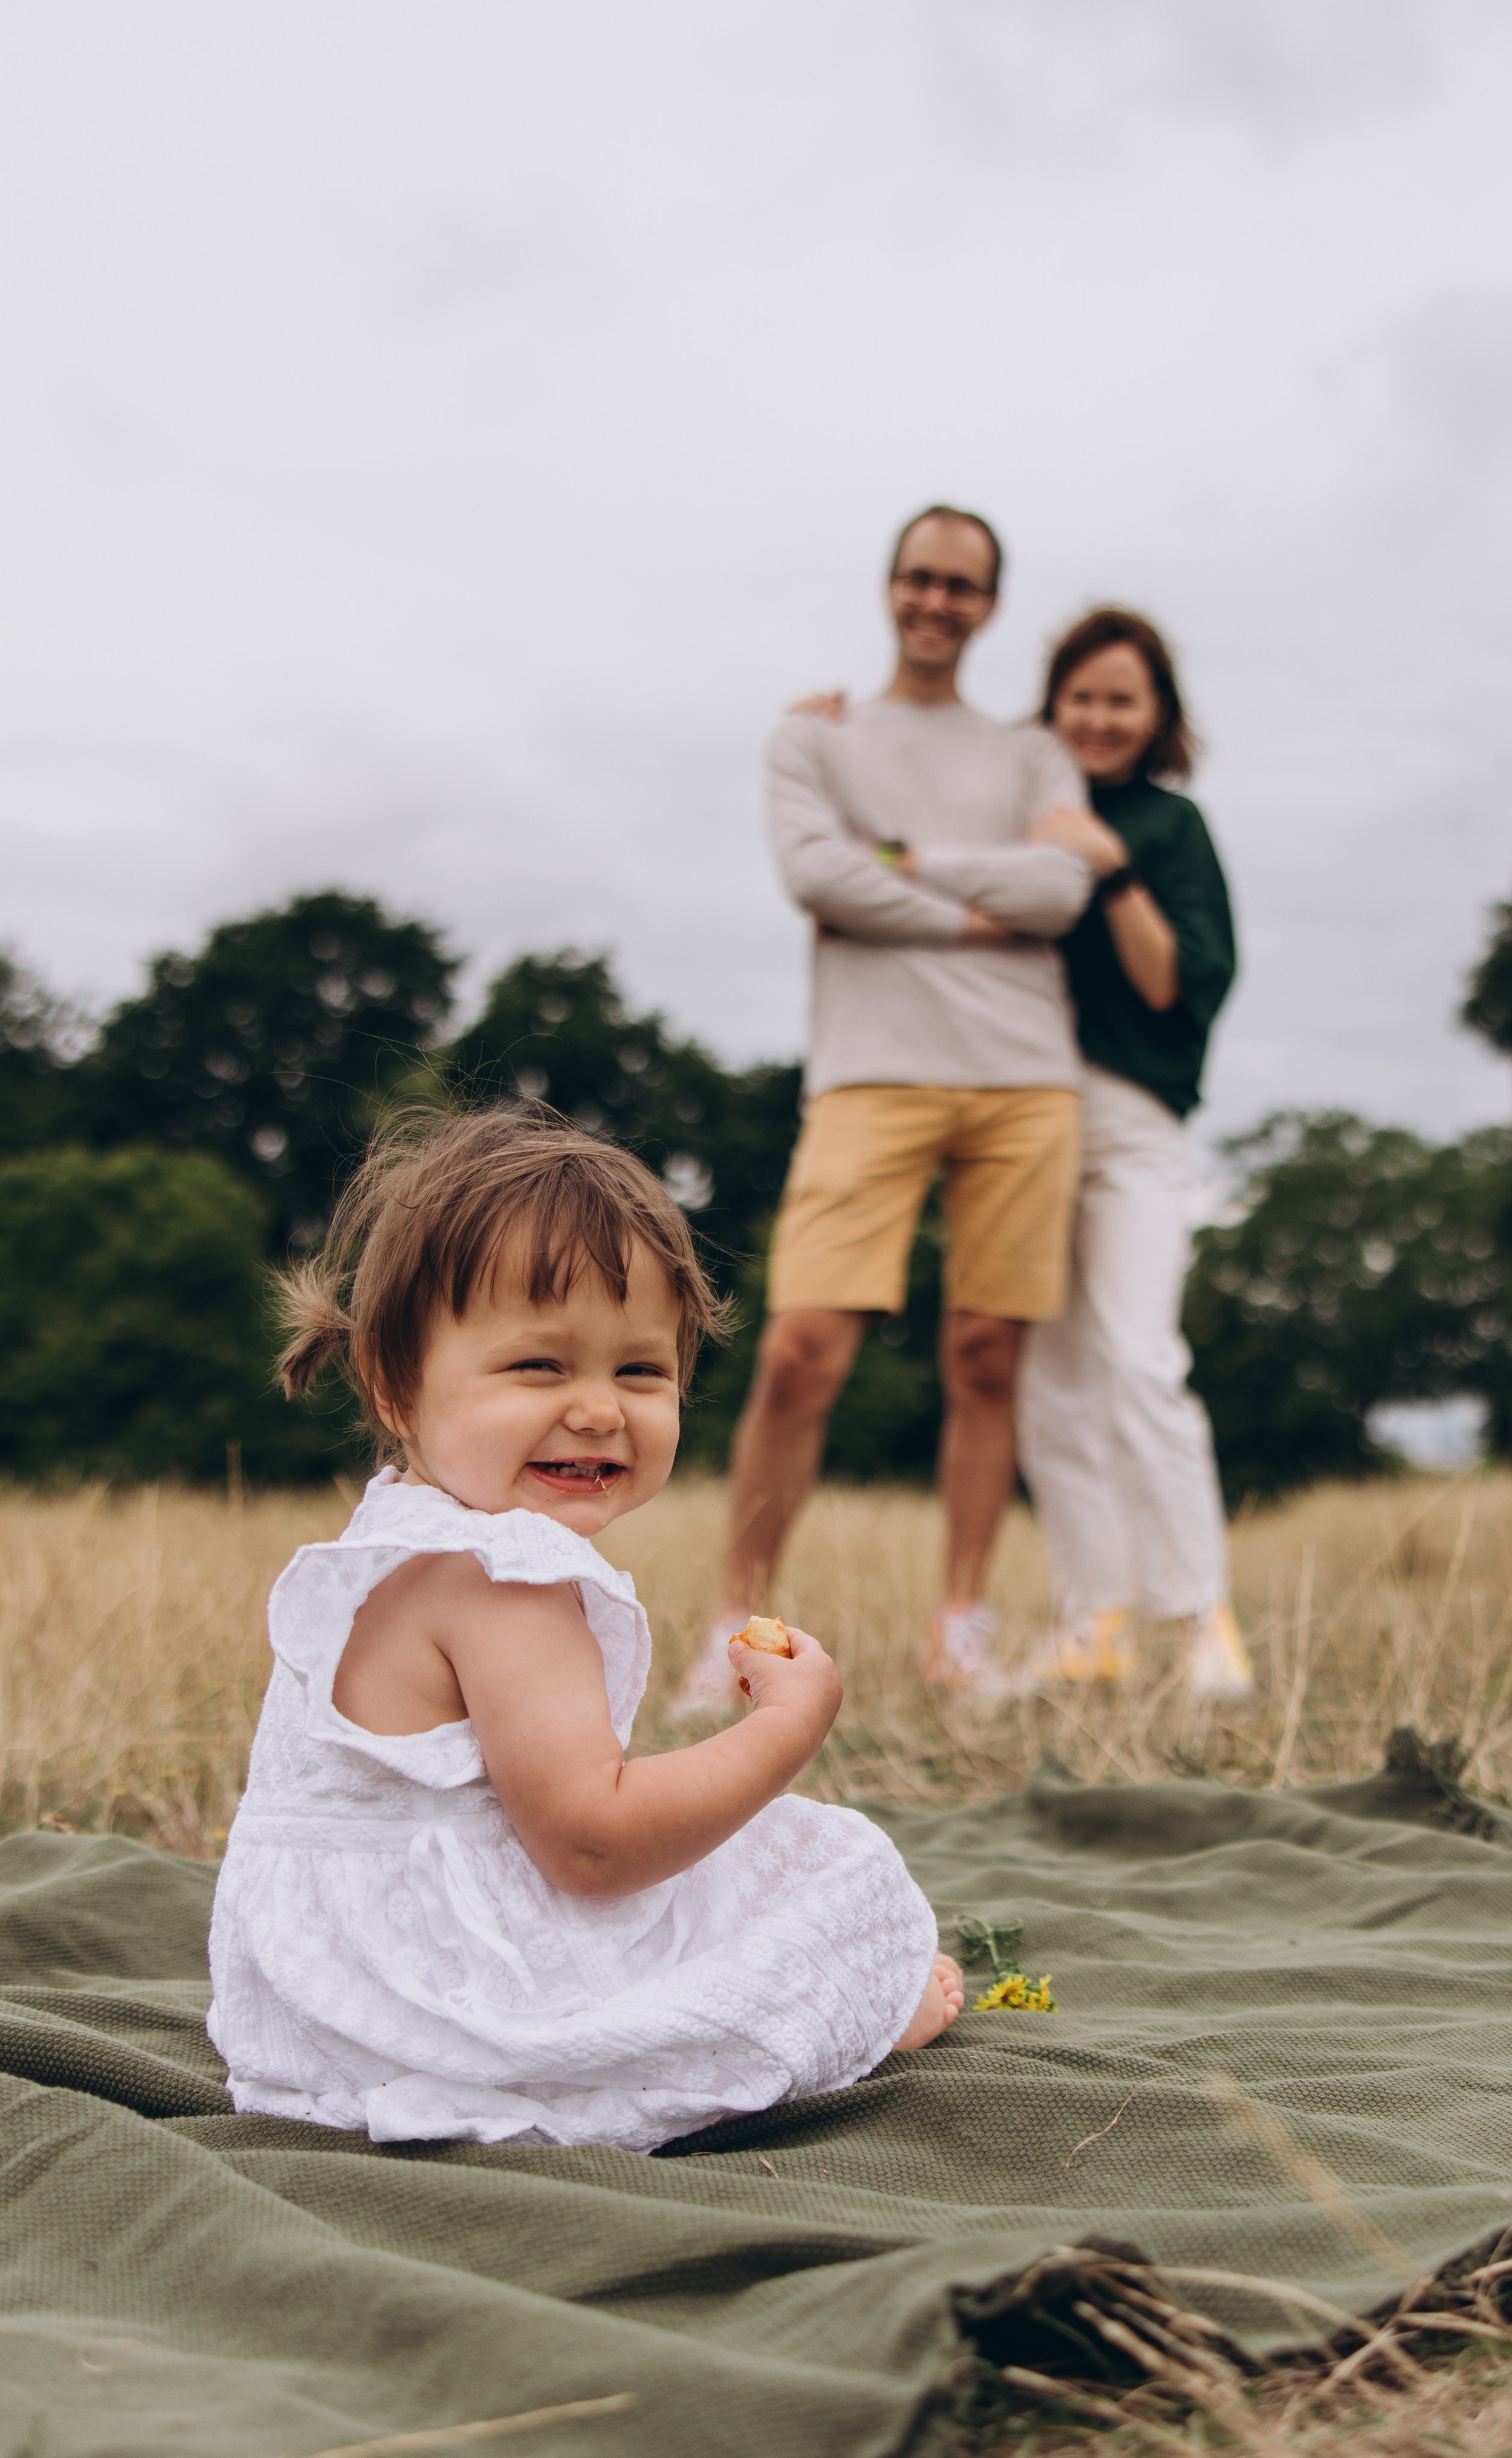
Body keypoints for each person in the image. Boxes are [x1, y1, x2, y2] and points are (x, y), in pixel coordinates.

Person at [206, 1106, 960, 2154]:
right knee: (827, 1864)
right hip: (452, 2004)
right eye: (539, 1367)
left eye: (641, 1371)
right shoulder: (509, 1577)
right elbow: (595, 1846)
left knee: (735, 1866)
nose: (601, 1409)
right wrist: (787, 1726)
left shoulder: (405, 1530)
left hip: (322, 2002)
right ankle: (845, 2019)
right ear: (395, 1381)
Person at [669, 505, 1094, 1713]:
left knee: (986, 1355)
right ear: (889, 586)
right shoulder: (816, 740)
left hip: (1024, 1079)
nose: (937, 600)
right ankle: (735, 1630)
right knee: (802, 1351)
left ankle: (960, 1626)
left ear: (990, 605)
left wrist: (895, 865)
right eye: (920, 577)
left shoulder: (1032, 754)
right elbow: (813, 873)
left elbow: (1062, 886)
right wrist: (969, 905)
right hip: (869, 1071)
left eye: (963, 585)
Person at [1016, 607, 1253, 1699]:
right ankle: (1090, 1621)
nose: (1100, 716)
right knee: (1051, 1380)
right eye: (1082, 696)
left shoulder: (1170, 827)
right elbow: (908, 840)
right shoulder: (1024, 804)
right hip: (1021, 1113)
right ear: (1053, 702)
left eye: (1123, 698)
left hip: (1132, 1121)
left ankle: (1205, 1620)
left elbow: (1170, 982)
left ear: (1156, 713)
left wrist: (1110, 872)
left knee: (1140, 1358)